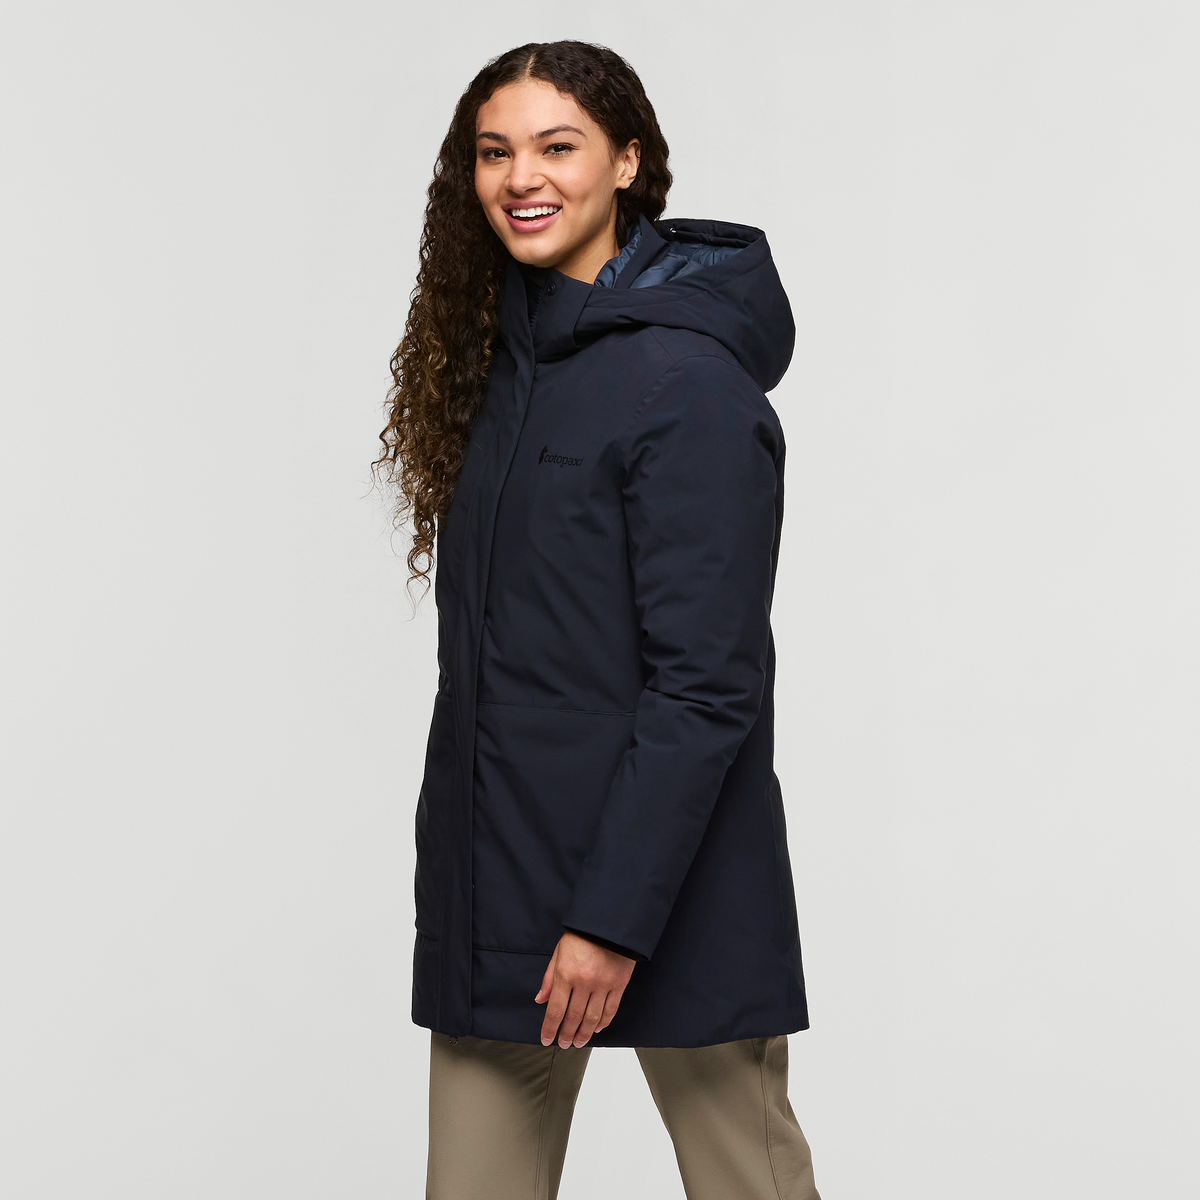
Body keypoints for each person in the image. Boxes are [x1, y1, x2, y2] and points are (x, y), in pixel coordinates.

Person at [376, 39, 821, 1200]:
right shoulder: (500, 371)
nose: (521, 177)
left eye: (556, 147)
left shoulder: (688, 385)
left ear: (627, 162)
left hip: (671, 887)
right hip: (505, 883)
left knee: (748, 1180)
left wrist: (612, 920)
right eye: (494, 152)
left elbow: (707, 685)